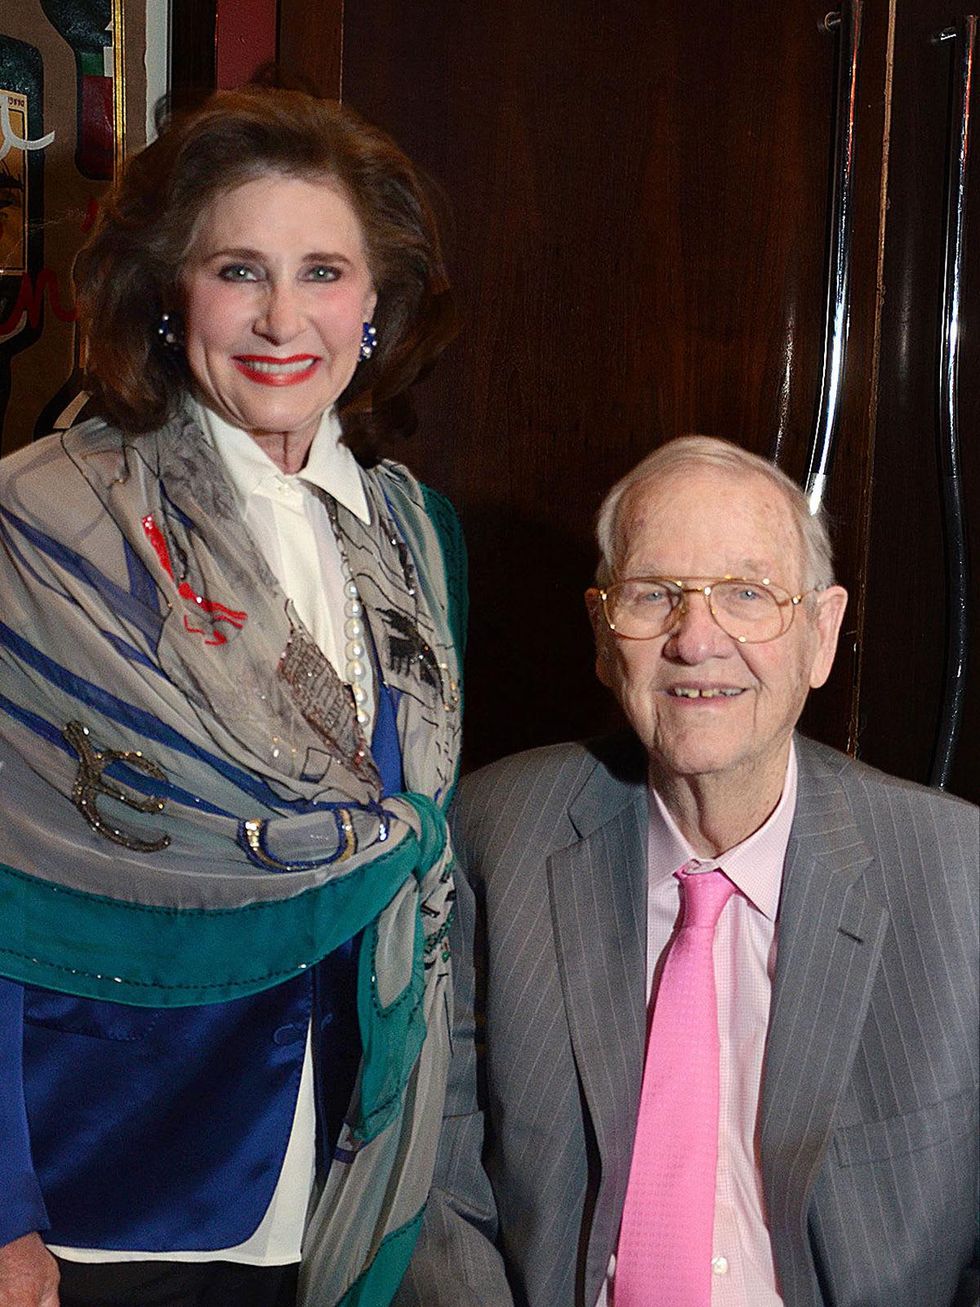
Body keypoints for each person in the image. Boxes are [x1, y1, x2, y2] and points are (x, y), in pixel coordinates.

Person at [0, 83, 464, 1307]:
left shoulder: (419, 540)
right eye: (236, 270)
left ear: (377, 304)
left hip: (354, 1150)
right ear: (170, 292)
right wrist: (1, 1215)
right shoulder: (43, 525)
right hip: (106, 1180)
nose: (279, 318)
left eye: (322, 272)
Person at [396, 436, 979, 1307]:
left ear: (821, 635)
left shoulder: (959, 876)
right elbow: (433, 1186)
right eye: (655, 595)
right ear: (603, 635)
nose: (697, 639)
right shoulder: (492, 834)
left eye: (747, 594)